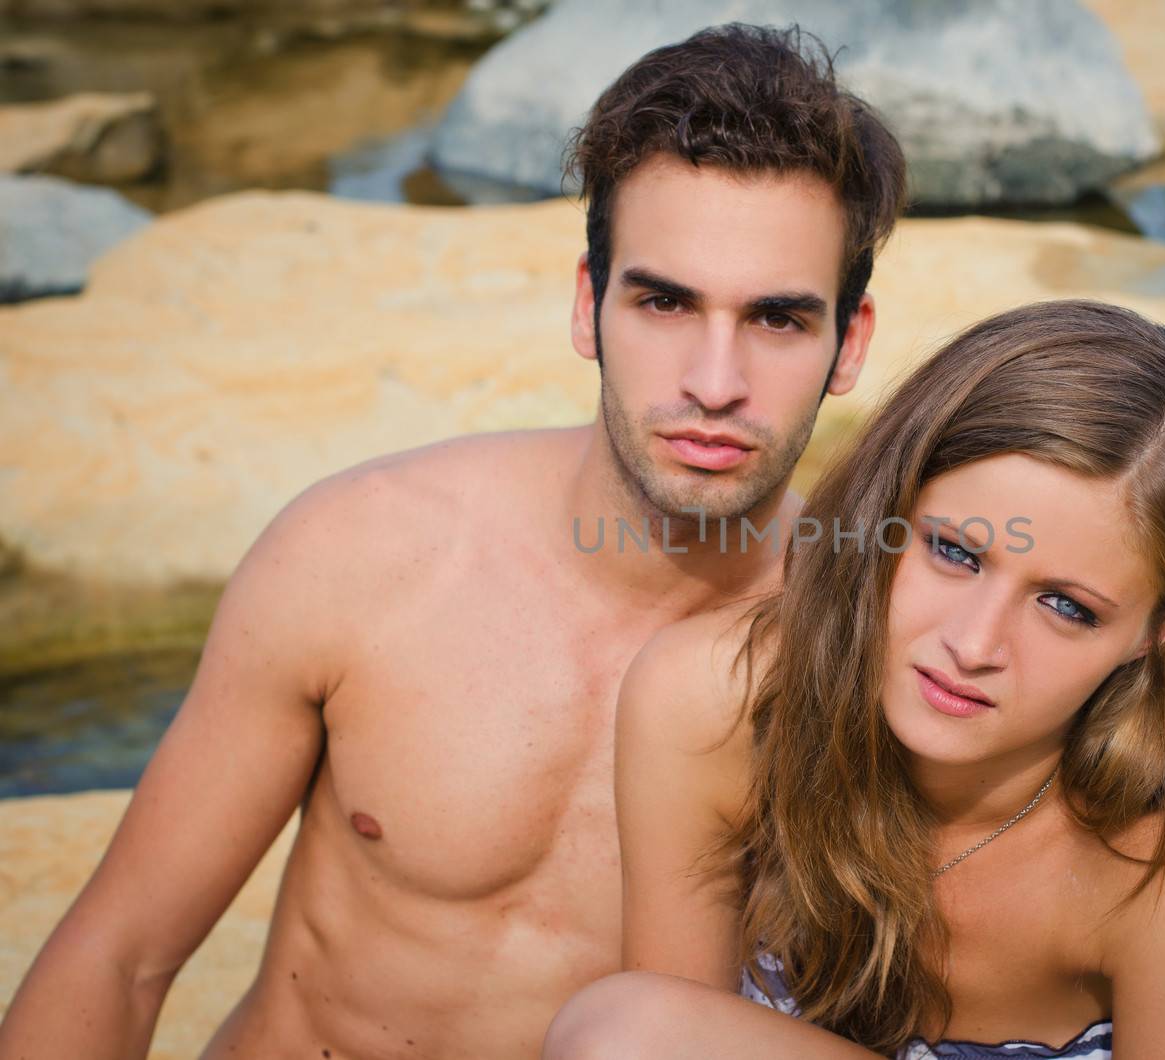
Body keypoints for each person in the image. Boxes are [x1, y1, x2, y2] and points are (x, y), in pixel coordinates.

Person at [0, 24, 906, 1060]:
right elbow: (120, 956)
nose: (712, 380)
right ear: (586, 305)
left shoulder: (883, 650)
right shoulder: (365, 553)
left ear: (852, 342)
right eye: (662, 301)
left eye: (778, 320)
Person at [543, 299, 1165, 1060]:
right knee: (624, 1034)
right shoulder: (716, 701)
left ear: (1157, 631)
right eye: (955, 553)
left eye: (1066, 607)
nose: (974, 643)